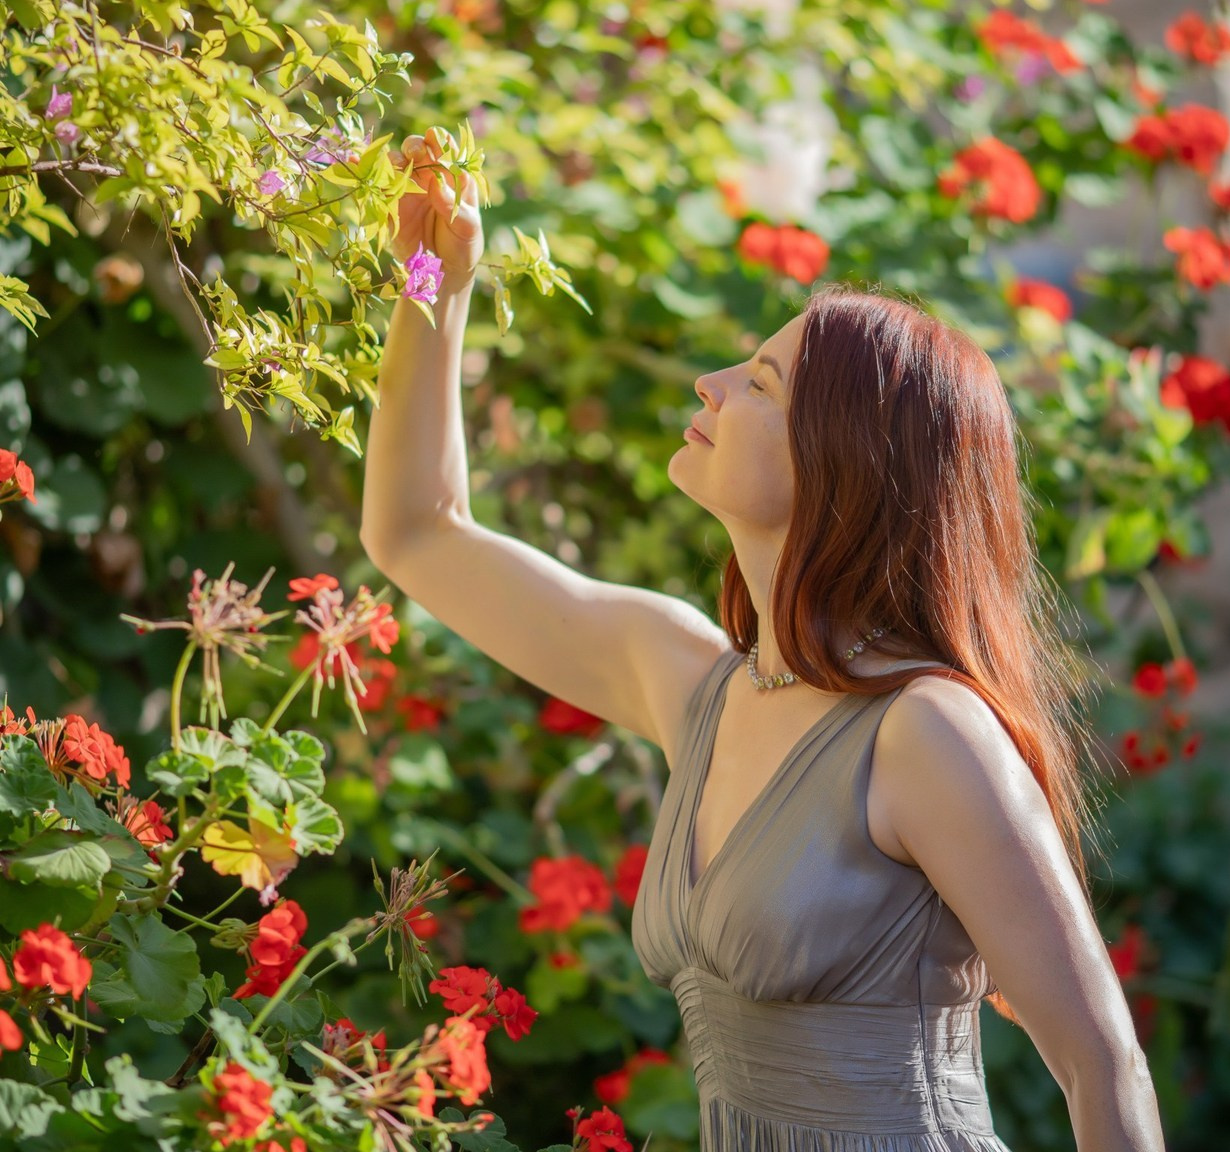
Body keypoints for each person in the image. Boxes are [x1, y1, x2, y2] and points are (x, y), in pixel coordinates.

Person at [361, 132, 1167, 1151]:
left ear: (845, 462)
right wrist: (434, 276)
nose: (707, 382)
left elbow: (1102, 1062)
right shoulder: (686, 679)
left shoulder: (925, 732)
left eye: (760, 382)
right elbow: (417, 530)